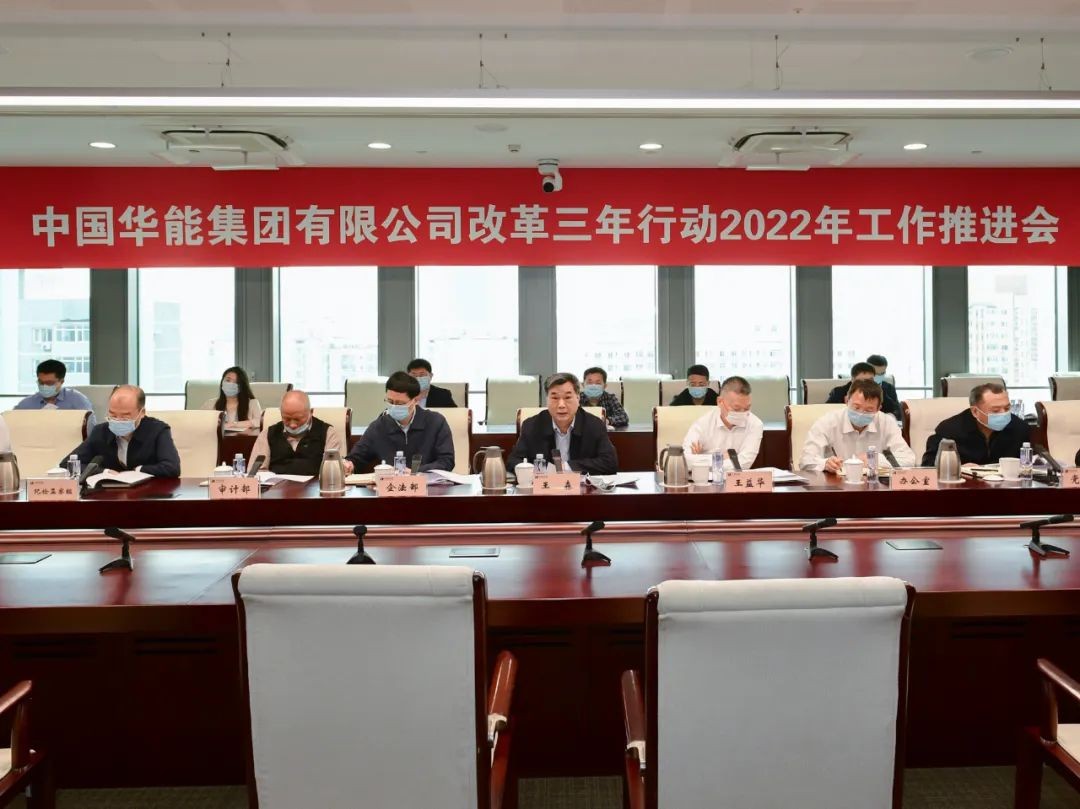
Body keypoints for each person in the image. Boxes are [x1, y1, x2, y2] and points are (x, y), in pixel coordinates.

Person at [344, 372, 455, 473]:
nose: (394, 406)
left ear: (415, 400)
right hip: (391, 486)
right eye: (390, 401)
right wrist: (348, 465)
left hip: (428, 485)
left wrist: (415, 472)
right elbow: (356, 457)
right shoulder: (379, 426)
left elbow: (446, 461)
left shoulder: (436, 422)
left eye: (400, 403)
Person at [508, 372, 618, 474]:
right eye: (555, 398)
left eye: (567, 397)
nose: (561, 405)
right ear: (547, 400)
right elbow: (513, 461)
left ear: (578, 398)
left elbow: (610, 463)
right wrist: (540, 470)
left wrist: (566, 467)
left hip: (580, 487)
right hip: (545, 487)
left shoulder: (594, 425)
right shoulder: (532, 425)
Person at [800, 379, 916, 473]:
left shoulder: (886, 422)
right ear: (846, 400)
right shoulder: (827, 422)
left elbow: (909, 459)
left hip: (875, 486)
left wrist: (875, 460)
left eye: (869, 410)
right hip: (836, 486)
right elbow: (805, 461)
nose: (861, 413)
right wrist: (825, 464)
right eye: (856, 407)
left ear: (878, 409)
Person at [66, 384, 180, 477]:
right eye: (113, 415)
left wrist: (138, 470)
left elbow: (172, 468)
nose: (118, 420)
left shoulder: (158, 430)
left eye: (125, 416)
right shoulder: (101, 431)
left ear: (142, 413)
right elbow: (67, 464)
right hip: (109, 494)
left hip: (148, 493)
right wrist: (103, 472)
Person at [921, 382, 1031, 466]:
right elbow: (928, 465)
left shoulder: (1020, 428)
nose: (1003, 414)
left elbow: (1030, 464)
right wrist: (958, 468)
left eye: (1007, 408)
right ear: (975, 411)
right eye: (996, 410)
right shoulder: (949, 430)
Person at [249, 390, 345, 476]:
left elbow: (334, 472)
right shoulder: (267, 434)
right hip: (277, 488)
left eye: (298, 419)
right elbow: (255, 473)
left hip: (315, 488)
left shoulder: (328, 433)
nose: (292, 425)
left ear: (311, 412)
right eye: (287, 419)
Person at [682, 376, 764, 470]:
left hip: (736, 478)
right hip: (706, 478)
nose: (742, 413)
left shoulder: (755, 424)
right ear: (720, 402)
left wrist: (700, 460)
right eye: (736, 408)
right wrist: (720, 457)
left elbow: (744, 464)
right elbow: (685, 460)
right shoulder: (703, 423)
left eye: (747, 408)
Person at [14, 359, 96, 429]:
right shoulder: (25, 405)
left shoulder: (78, 401)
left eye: (49, 383)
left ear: (62, 381)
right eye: (41, 382)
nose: (44, 386)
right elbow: (12, 427)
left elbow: (90, 430)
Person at [827, 361, 901, 420]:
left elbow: (897, 411)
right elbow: (825, 411)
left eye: (870, 380)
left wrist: (887, 418)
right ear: (853, 380)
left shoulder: (878, 392)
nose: (866, 384)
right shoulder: (839, 392)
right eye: (862, 381)